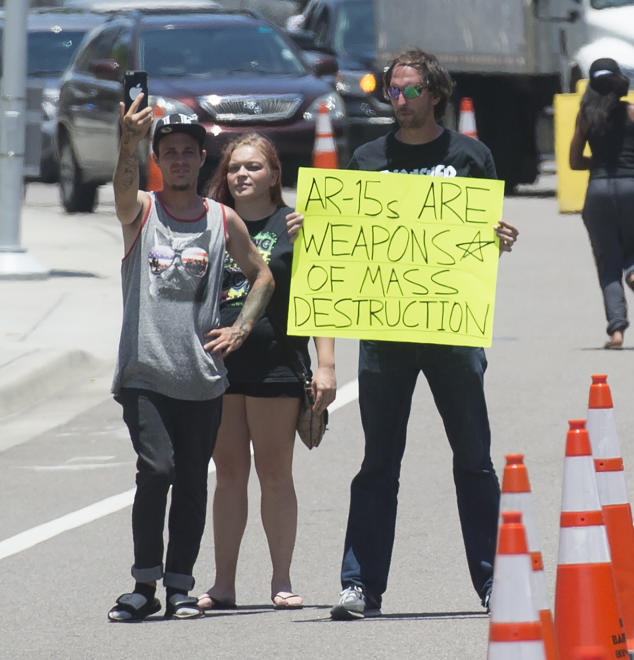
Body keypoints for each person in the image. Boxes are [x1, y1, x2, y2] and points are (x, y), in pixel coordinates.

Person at [287, 47, 518, 620]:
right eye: (393, 90)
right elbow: (344, 245)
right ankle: (360, 585)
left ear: (434, 94)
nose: (401, 99)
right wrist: (314, 227)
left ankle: (495, 582)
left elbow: (479, 243)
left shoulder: (470, 156)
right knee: (378, 463)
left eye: (411, 90)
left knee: (474, 459)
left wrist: (499, 237)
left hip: (451, 333)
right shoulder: (367, 158)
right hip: (385, 337)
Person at [107, 99, 275, 622]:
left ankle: (180, 584)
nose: (179, 160)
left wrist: (242, 327)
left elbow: (263, 275)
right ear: (158, 160)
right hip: (145, 373)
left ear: (202, 159)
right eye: (169, 152)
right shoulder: (141, 211)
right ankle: (143, 584)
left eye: (187, 152)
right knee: (156, 469)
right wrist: (127, 143)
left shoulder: (222, 220)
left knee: (192, 480)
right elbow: (120, 188)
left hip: (202, 378)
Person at [197, 133, 337, 611]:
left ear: (274, 174)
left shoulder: (295, 224)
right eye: (234, 167)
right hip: (219, 366)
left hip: (277, 365)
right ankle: (223, 584)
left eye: (254, 167)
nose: (242, 175)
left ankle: (281, 580)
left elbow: (320, 299)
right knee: (229, 474)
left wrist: (326, 366)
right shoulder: (211, 222)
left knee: (275, 474)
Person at [569, 57, 634, 349]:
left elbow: (574, 161)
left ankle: (616, 331)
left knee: (607, 261)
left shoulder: (585, 116)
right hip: (631, 187)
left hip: (597, 191)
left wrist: (598, 160)